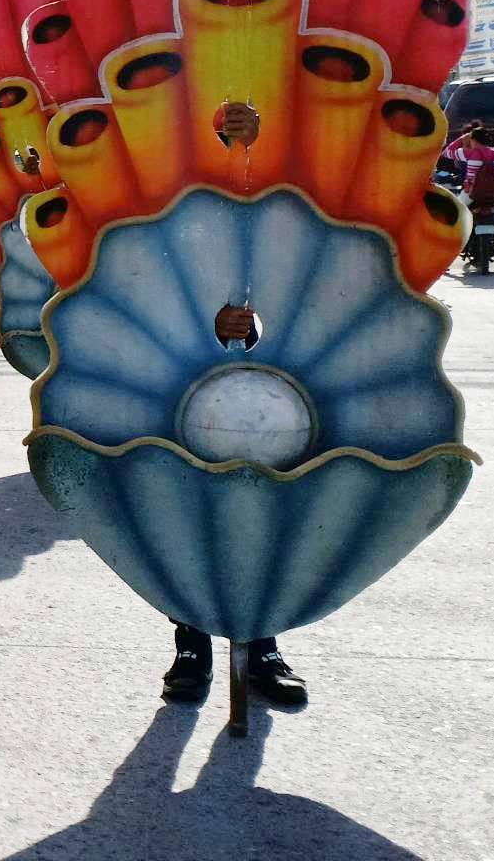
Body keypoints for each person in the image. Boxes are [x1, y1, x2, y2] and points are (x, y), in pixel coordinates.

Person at [162, 303, 310, 707]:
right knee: (184, 529)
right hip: (173, 384)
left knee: (259, 527)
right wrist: (205, 328)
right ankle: (191, 644)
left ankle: (262, 646)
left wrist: (241, 332)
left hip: (254, 407)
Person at [445, 121, 494, 272]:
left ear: (473, 139)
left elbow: (447, 152)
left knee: (455, 214)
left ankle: (447, 256)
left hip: (472, 194)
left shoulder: (469, 153)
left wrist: (461, 139)